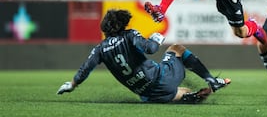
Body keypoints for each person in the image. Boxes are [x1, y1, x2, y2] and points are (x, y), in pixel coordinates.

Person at [57, 9, 230, 103]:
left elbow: (85, 69)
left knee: (181, 92)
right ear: (120, 25)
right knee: (176, 48)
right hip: (159, 79)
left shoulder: (99, 49)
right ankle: (211, 80)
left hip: (146, 94)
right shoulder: (130, 34)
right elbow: (151, 49)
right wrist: (156, 38)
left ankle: (189, 96)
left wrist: (72, 85)